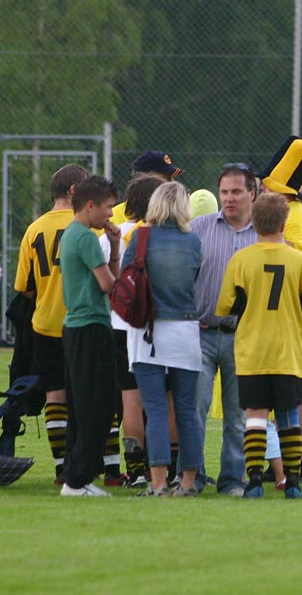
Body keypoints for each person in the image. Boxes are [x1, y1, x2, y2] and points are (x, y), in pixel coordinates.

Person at [216, 191, 302, 498]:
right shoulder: (298, 260)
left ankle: (253, 481)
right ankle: (291, 483)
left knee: (255, 415)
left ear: (252, 220)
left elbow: (225, 306)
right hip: (288, 350)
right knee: (289, 414)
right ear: (285, 221)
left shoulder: (241, 260)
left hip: (252, 351)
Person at [122, 180, 205, 497]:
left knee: (155, 410)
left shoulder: (141, 237)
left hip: (149, 332)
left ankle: (157, 482)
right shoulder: (194, 242)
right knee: (186, 411)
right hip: (186, 332)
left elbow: (127, 276)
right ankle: (187, 482)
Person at [14, 163, 93, 486]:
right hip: (82, 321)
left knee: (55, 396)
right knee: (85, 396)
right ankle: (85, 462)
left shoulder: (34, 230)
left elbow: (25, 288)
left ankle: (62, 466)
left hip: (45, 323)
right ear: (75, 191)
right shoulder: (88, 227)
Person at [191, 162, 261, 496]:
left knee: (237, 414)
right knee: (195, 408)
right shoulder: (198, 229)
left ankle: (233, 479)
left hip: (243, 336)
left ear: (253, 193)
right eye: (224, 192)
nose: (229, 198)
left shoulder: (265, 235)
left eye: (236, 191)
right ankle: (193, 476)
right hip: (201, 332)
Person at [261, 136, 302, 483]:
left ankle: (298, 462)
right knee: (288, 386)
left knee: (296, 386)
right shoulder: (293, 212)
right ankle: (286, 459)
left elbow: (298, 265)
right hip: (286, 310)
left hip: (292, 311)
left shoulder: (294, 217)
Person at [58, 176, 123, 498]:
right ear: (90, 206)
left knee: (82, 407)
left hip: (76, 328)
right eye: (108, 207)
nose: (111, 214)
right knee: (96, 407)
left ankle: (77, 478)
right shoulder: (83, 237)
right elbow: (109, 285)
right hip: (90, 328)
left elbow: (106, 277)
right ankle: (77, 480)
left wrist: (113, 246)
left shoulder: (73, 234)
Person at [108, 173, 168, 487]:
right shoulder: (162, 236)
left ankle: (134, 470)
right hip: (155, 325)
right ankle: (163, 467)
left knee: (129, 400)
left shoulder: (113, 234)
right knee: (162, 400)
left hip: (119, 325)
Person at [113, 150, 182, 223]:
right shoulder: (112, 217)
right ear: (143, 179)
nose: (172, 183)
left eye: (172, 179)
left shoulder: (174, 214)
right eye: (167, 179)